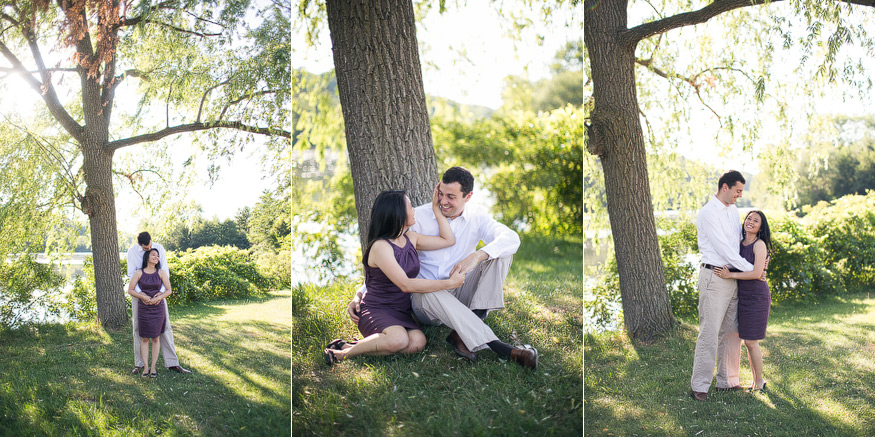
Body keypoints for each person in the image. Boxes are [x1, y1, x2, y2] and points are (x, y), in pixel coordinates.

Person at [345, 167, 538, 369]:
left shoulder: (478, 216)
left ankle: (465, 329)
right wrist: (360, 293)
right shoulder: (417, 217)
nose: (443, 201)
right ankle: (502, 348)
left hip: (460, 289)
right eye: (441, 194)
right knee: (429, 291)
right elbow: (387, 262)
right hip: (425, 299)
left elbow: (511, 238)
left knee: (500, 254)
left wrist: (477, 256)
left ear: (468, 196)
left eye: (451, 197)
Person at [323, 187, 465, 364]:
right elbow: (406, 284)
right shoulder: (381, 247)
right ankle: (342, 354)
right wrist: (450, 283)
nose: (414, 210)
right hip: (376, 308)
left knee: (417, 343)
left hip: (400, 310)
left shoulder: (411, 238)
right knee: (399, 340)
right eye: (410, 207)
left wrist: (437, 211)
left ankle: (350, 345)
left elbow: (448, 240)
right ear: (397, 213)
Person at [690, 170, 759, 401]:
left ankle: (727, 381)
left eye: (741, 191)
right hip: (715, 276)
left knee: (731, 331)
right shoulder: (708, 213)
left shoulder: (733, 211)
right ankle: (700, 386)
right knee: (709, 332)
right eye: (738, 191)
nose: (740, 195)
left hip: (732, 276)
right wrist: (752, 269)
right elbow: (725, 250)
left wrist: (759, 257)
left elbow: (738, 244)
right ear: (725, 187)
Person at [714, 210, 772, 392]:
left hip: (757, 297)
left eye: (756, 221)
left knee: (750, 342)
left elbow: (756, 273)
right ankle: (756, 381)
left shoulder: (759, 244)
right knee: (747, 340)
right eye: (749, 218)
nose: (751, 222)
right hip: (742, 296)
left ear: (761, 227)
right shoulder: (739, 243)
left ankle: (760, 381)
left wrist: (729, 274)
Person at [126, 232, 191, 374]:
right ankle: (139, 364)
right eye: (145, 249)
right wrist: (141, 294)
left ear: (151, 241)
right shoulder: (131, 252)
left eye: (150, 246)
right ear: (139, 245)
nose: (149, 250)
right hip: (139, 293)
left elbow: (164, 272)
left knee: (165, 327)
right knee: (138, 328)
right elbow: (131, 274)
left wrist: (160, 294)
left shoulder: (159, 248)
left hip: (159, 292)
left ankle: (172, 363)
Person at [127, 249, 172, 377]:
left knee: (156, 338)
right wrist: (143, 297)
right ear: (147, 257)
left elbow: (169, 290)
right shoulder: (139, 273)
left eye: (158, 256)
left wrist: (159, 298)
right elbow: (130, 290)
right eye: (153, 255)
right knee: (145, 338)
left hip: (158, 309)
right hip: (144, 309)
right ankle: (145, 367)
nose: (156, 257)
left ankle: (153, 368)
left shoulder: (162, 273)